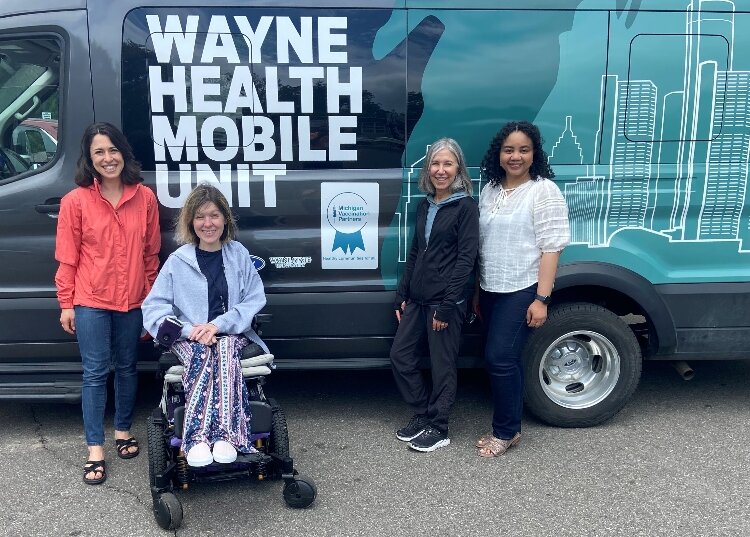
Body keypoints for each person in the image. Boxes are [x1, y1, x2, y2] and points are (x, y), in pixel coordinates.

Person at [55, 122, 161, 485]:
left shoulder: (144, 197)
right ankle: (95, 447)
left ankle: (123, 431)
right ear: (90, 157)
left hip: (133, 299)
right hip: (91, 299)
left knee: (128, 367)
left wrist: (150, 301)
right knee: (95, 372)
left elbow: (150, 255)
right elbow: (67, 257)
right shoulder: (75, 201)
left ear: (123, 152)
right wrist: (66, 303)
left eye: (112, 149)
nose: (107, 158)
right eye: (99, 152)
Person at [142, 183, 268, 467]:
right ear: (191, 222)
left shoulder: (238, 255)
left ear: (225, 219)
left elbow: (253, 299)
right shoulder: (178, 261)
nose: (207, 223)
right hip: (188, 337)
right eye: (200, 217)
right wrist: (190, 330)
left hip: (229, 333)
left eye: (214, 215)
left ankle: (226, 435)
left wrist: (219, 325)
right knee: (200, 354)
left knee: (223, 353)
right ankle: (196, 438)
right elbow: (153, 308)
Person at [473, 121, 570, 457]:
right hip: (489, 287)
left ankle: (507, 431)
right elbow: (482, 245)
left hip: (522, 288)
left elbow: (551, 247)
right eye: (509, 149)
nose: (515, 156)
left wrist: (541, 299)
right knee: (501, 359)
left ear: (534, 154)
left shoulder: (543, 191)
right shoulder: (489, 190)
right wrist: (476, 291)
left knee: (500, 358)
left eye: (524, 150)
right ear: (498, 154)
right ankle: (507, 424)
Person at [390, 138, 479, 452]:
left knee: (443, 366)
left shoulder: (465, 206)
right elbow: (416, 251)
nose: (441, 170)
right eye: (435, 164)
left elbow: (466, 259)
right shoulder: (425, 204)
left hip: (445, 302)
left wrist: (448, 305)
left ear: (458, 169)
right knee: (400, 356)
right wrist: (402, 293)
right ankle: (424, 413)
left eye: (448, 164)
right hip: (416, 299)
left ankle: (439, 427)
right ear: (428, 169)